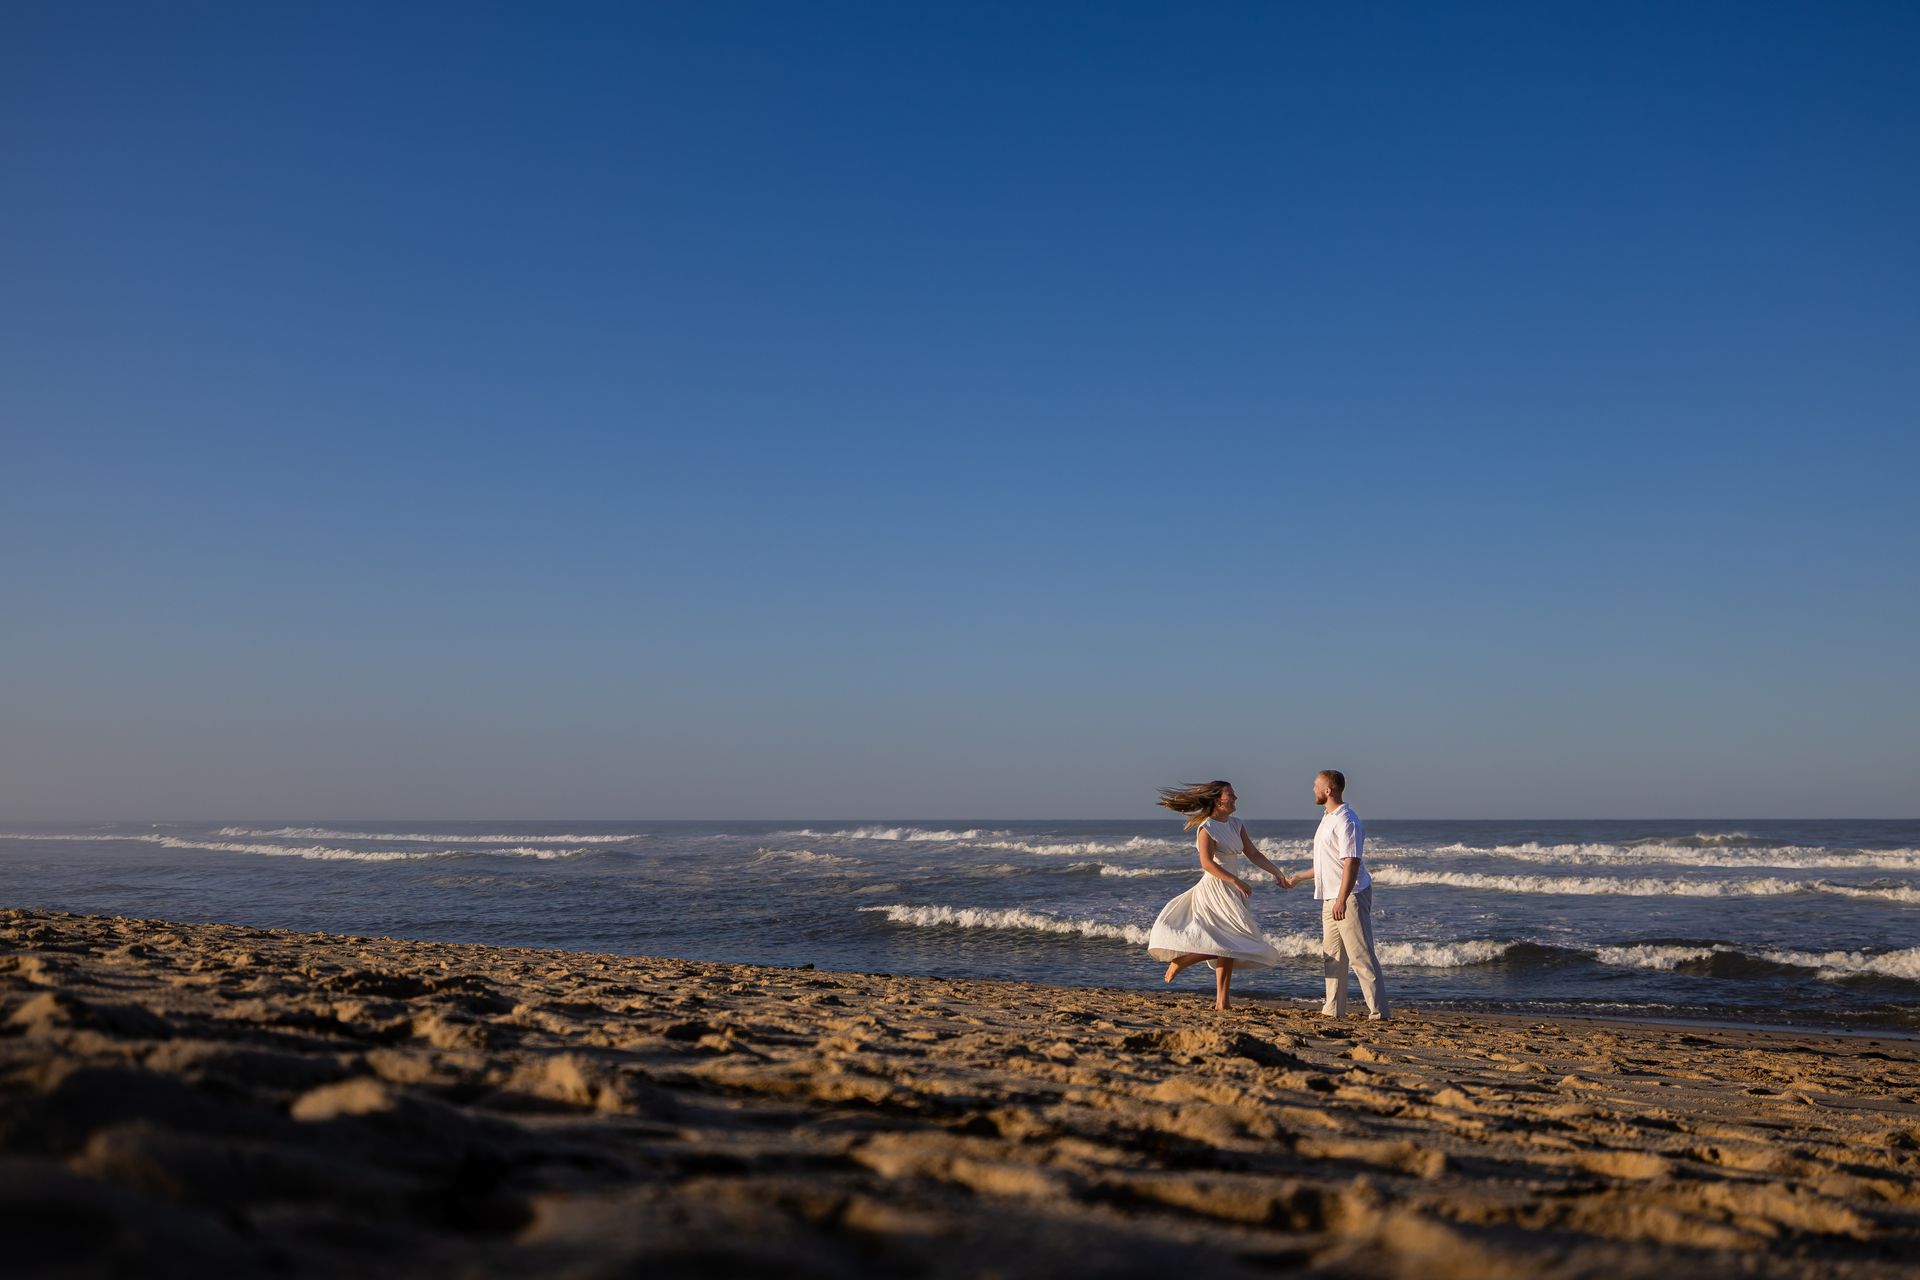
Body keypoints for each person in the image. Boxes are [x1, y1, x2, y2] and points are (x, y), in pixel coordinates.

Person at [1146, 780, 1305, 1011]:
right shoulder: (1206, 827)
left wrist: (1277, 872)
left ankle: (1222, 1001)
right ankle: (1183, 961)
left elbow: (1253, 853)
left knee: (1229, 942)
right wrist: (1235, 880)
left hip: (1232, 890)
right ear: (1217, 799)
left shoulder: (1237, 825)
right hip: (1216, 888)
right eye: (1230, 794)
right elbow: (1207, 864)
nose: (1236, 798)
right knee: (1227, 941)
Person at [1312, 769, 1389, 1019]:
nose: (1313, 789)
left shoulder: (1347, 820)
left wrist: (1342, 899)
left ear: (1328, 790)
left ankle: (1379, 1012)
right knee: (1332, 957)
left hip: (1350, 895)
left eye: (1316, 785)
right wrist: (1295, 878)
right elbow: (1328, 863)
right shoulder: (1327, 818)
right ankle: (1333, 1009)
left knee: (1360, 955)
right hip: (1330, 897)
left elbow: (1351, 863)